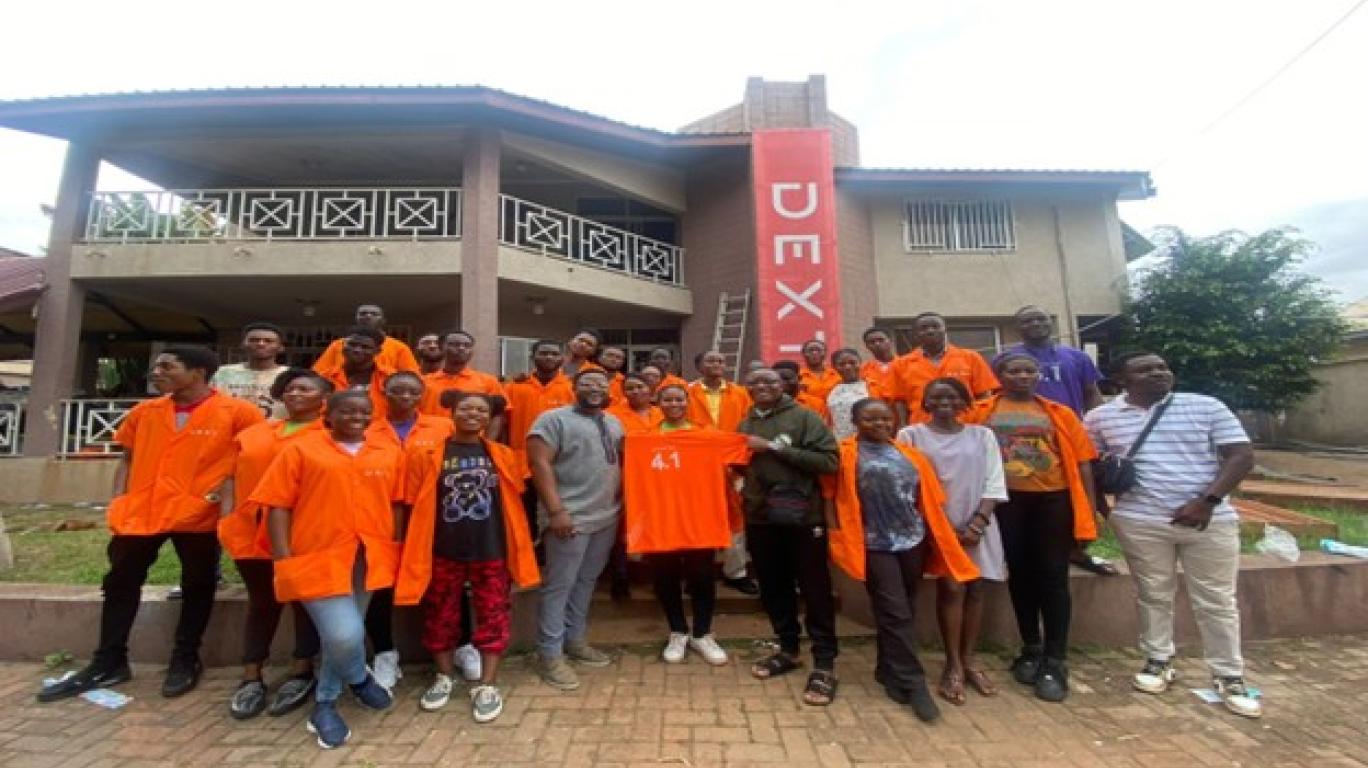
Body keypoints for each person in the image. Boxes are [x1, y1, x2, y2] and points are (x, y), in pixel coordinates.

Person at [37, 346, 264, 704]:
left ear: (198, 372)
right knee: (120, 582)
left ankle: (185, 657)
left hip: (199, 514)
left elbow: (251, 462)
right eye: (156, 367)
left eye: (167, 367)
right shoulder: (145, 412)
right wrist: (119, 501)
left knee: (198, 584)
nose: (156, 373)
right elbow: (126, 458)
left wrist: (229, 507)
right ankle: (109, 659)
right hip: (141, 512)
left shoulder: (240, 413)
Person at [1084, 352, 1260, 719]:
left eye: (1162, 367)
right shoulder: (1100, 418)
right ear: (1122, 379)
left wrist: (1207, 501)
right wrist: (1105, 513)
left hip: (1208, 521)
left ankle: (1229, 674)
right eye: (1145, 369)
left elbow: (1241, 456)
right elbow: (1091, 467)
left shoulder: (1205, 406)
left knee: (1216, 599)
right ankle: (1158, 659)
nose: (1158, 373)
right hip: (1140, 521)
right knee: (1152, 593)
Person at [251, 390, 403, 749]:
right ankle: (359, 679)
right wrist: (284, 557)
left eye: (364, 412)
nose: (356, 416)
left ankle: (325, 703)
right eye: (347, 410)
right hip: (316, 556)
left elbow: (397, 502)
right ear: (328, 414)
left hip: (367, 555)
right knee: (344, 636)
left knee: (342, 633)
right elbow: (277, 506)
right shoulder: (301, 449)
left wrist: (392, 542)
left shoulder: (388, 451)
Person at [826, 398, 979, 722]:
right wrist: (834, 533)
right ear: (856, 422)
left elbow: (931, 497)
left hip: (912, 540)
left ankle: (888, 670)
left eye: (885, 419)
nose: (879, 424)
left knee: (903, 607)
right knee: (895, 610)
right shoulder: (844, 453)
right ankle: (914, 683)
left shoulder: (910, 454)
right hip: (873, 543)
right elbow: (829, 496)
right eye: (870, 419)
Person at [395, 392, 540, 723]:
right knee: (440, 614)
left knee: (494, 614)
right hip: (441, 551)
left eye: (481, 410)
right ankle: (444, 676)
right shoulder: (427, 454)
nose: (473, 414)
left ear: (489, 418)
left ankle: (487, 684)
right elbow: (409, 504)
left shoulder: (503, 455)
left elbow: (517, 500)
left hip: (491, 549)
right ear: (451, 413)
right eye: (465, 408)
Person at [964, 352, 1097, 703]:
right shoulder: (981, 412)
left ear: (1038, 375)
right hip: (1006, 504)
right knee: (1020, 575)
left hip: (1053, 500)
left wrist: (1092, 507)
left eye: (1028, 371)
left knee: (1053, 576)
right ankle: (1030, 648)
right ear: (1000, 376)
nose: (1022, 376)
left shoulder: (1059, 413)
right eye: (1013, 371)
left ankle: (1056, 659)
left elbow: (1083, 463)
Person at [218, 368, 329, 720]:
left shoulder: (331, 435)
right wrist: (227, 518)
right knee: (262, 603)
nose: (295, 393)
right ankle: (252, 676)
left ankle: (301, 670)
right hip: (250, 533)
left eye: (305, 389)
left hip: (305, 534)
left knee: (304, 603)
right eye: (291, 388)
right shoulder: (254, 434)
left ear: (324, 398)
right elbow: (230, 477)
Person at [899, 378, 1008, 707]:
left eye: (953, 396)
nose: (945, 401)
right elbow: (906, 483)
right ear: (926, 403)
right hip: (933, 525)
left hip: (979, 523)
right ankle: (953, 665)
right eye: (936, 397)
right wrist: (940, 526)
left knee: (976, 589)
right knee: (951, 588)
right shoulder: (911, 435)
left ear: (964, 402)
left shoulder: (982, 435)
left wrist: (978, 522)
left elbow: (995, 479)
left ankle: (970, 660)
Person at [624, 384, 750, 666]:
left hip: (701, 520)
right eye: (667, 399)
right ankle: (677, 631)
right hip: (661, 521)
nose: (674, 403)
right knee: (665, 578)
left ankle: (703, 632)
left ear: (688, 401)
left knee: (702, 577)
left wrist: (776, 445)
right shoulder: (642, 439)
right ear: (658, 402)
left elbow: (744, 447)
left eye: (679, 399)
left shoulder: (708, 436)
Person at [736, 368, 840, 705]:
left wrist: (771, 449)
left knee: (815, 588)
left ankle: (824, 663)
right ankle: (789, 649)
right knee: (773, 585)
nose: (761, 386)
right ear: (747, 388)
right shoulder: (747, 419)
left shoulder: (805, 417)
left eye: (769, 382)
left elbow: (829, 461)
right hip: (761, 517)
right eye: (755, 382)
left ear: (784, 386)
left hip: (802, 517)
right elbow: (744, 462)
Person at [526, 369, 626, 690]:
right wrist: (556, 511)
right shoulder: (552, 420)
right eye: (586, 383)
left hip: (605, 517)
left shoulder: (613, 422)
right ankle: (550, 654)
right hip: (569, 518)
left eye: (600, 384)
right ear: (573, 387)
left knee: (585, 582)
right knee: (560, 585)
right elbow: (539, 464)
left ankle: (575, 641)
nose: (594, 388)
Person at [362, 371, 456, 690]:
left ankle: (463, 645)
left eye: (413, 391)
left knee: (445, 581)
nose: (405, 396)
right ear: (384, 392)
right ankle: (386, 653)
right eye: (397, 390)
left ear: (422, 395)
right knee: (381, 585)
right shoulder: (366, 428)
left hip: (435, 516)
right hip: (380, 517)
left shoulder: (443, 426)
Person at [686, 350, 759, 596]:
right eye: (710, 360)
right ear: (698, 366)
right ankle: (695, 573)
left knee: (735, 520)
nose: (716, 364)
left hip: (734, 466)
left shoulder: (740, 393)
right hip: (695, 467)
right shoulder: (686, 392)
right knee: (696, 519)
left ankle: (736, 572)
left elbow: (749, 425)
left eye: (720, 360)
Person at [604, 372, 661, 599]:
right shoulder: (612, 415)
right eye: (630, 388)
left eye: (640, 387)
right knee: (624, 527)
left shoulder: (663, 412)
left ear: (651, 389)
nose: (635, 391)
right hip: (625, 476)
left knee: (657, 526)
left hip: (660, 477)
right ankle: (620, 575)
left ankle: (659, 577)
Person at [891, 312, 998, 424]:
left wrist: (982, 422)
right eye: (924, 328)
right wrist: (902, 427)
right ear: (915, 334)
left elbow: (984, 395)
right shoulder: (901, 364)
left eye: (936, 327)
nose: (930, 331)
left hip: (966, 426)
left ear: (945, 330)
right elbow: (900, 402)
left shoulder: (971, 357)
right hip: (922, 428)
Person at [419, 330, 505, 440]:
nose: (461, 348)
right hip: (429, 443)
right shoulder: (423, 382)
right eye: (454, 344)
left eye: (467, 345)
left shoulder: (488, 381)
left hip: (471, 445)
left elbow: (497, 416)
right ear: (441, 348)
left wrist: (487, 445)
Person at [211, 321, 290, 418]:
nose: (261, 344)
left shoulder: (289, 376)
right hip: (231, 430)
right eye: (254, 340)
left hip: (274, 431)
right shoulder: (222, 373)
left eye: (269, 341)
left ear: (281, 347)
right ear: (243, 344)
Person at [312, 304, 419, 373]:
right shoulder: (339, 344)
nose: (368, 316)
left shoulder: (399, 347)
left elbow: (411, 376)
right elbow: (319, 373)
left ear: (383, 320)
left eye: (374, 314)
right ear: (356, 318)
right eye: (362, 313)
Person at [316, 326, 394, 421]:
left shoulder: (391, 378)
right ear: (342, 345)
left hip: (382, 432)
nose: (357, 350)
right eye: (352, 344)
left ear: (378, 351)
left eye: (365, 347)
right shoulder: (324, 378)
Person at [826, 348, 872, 440]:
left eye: (852, 362)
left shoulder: (872, 386)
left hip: (868, 442)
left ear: (860, 363)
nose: (847, 367)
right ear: (834, 367)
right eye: (841, 364)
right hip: (839, 442)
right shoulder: (830, 389)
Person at [860, 327, 899, 401]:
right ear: (867, 346)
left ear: (890, 341)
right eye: (872, 342)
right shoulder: (863, 370)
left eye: (881, 340)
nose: (877, 344)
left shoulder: (907, 365)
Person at [799, 339, 841, 406]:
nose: (814, 353)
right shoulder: (799, 376)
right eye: (810, 350)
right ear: (803, 354)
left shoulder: (837, 374)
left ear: (825, 353)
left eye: (818, 350)